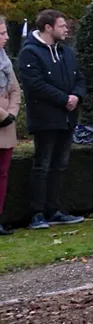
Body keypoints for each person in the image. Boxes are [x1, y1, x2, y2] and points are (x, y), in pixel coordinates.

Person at [19, 9, 86, 230]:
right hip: (46, 118)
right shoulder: (30, 53)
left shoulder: (67, 52)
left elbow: (79, 77)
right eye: (61, 25)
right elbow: (34, 84)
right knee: (43, 165)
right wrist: (63, 98)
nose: (66, 29)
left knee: (60, 165)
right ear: (48, 27)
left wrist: (77, 96)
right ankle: (37, 212)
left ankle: (54, 209)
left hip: (67, 117)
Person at [0, 17, 21, 236]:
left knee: (3, 173)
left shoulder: (4, 61)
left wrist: (12, 114)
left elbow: (15, 89)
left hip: (7, 126)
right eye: (2, 33)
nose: (6, 37)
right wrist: (3, 114)